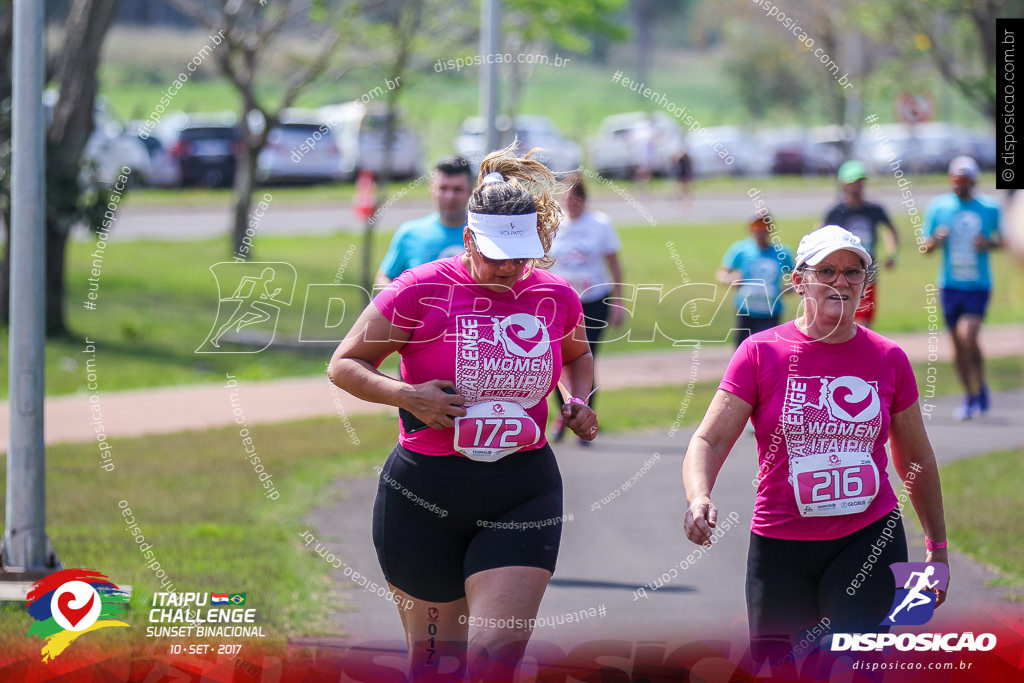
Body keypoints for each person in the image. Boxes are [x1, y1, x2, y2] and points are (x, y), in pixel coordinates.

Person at [328, 145, 598, 680]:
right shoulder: (419, 289)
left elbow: (578, 356)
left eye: (520, 255)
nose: (509, 267)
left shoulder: (555, 296)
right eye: (496, 253)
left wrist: (579, 400)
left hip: (523, 488)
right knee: (437, 665)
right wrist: (408, 396)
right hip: (423, 492)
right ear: (470, 239)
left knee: (495, 659)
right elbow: (344, 365)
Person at [683, 224, 949, 667]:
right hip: (780, 545)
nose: (841, 282)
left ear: (866, 281)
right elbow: (709, 439)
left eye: (853, 271)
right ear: (798, 281)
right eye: (826, 270)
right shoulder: (760, 352)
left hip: (869, 538)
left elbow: (916, 458)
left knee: (854, 669)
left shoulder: (888, 358)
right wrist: (699, 496)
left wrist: (937, 548)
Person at [923, 155, 1003, 420]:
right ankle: (972, 394)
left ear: (974, 181)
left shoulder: (989, 208)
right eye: (956, 181)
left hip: (978, 284)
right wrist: (936, 240)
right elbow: (925, 248)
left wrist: (988, 244)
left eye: (965, 181)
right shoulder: (939, 207)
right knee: (959, 345)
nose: (960, 186)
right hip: (950, 285)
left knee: (968, 335)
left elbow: (1004, 241)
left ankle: (979, 390)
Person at [548, 171, 624, 442]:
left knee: (585, 360)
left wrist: (619, 301)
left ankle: (586, 417)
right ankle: (563, 416)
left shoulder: (600, 224)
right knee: (556, 363)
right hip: (560, 304)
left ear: (585, 200)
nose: (572, 204)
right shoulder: (554, 223)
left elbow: (615, 264)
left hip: (594, 301)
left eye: (577, 199)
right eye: (567, 199)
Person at [823, 160, 899, 328]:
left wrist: (892, 253)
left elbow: (890, 230)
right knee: (841, 320)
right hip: (840, 273)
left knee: (864, 322)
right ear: (843, 184)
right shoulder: (836, 212)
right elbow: (820, 236)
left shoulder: (874, 209)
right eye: (853, 182)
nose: (857, 186)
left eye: (860, 182)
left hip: (867, 271)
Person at [375, 155, 473, 286]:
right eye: (443, 188)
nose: (450, 196)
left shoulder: (482, 235)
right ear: (432, 188)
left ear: (470, 191)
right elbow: (384, 277)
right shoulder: (409, 233)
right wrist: (402, 301)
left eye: (457, 189)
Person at [716, 211, 795, 348]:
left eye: (764, 226)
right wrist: (730, 280)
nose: (759, 231)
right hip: (745, 310)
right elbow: (722, 274)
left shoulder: (783, 253)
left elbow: (797, 278)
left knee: (768, 352)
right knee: (742, 350)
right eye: (756, 226)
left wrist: (789, 288)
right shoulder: (740, 250)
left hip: (771, 312)